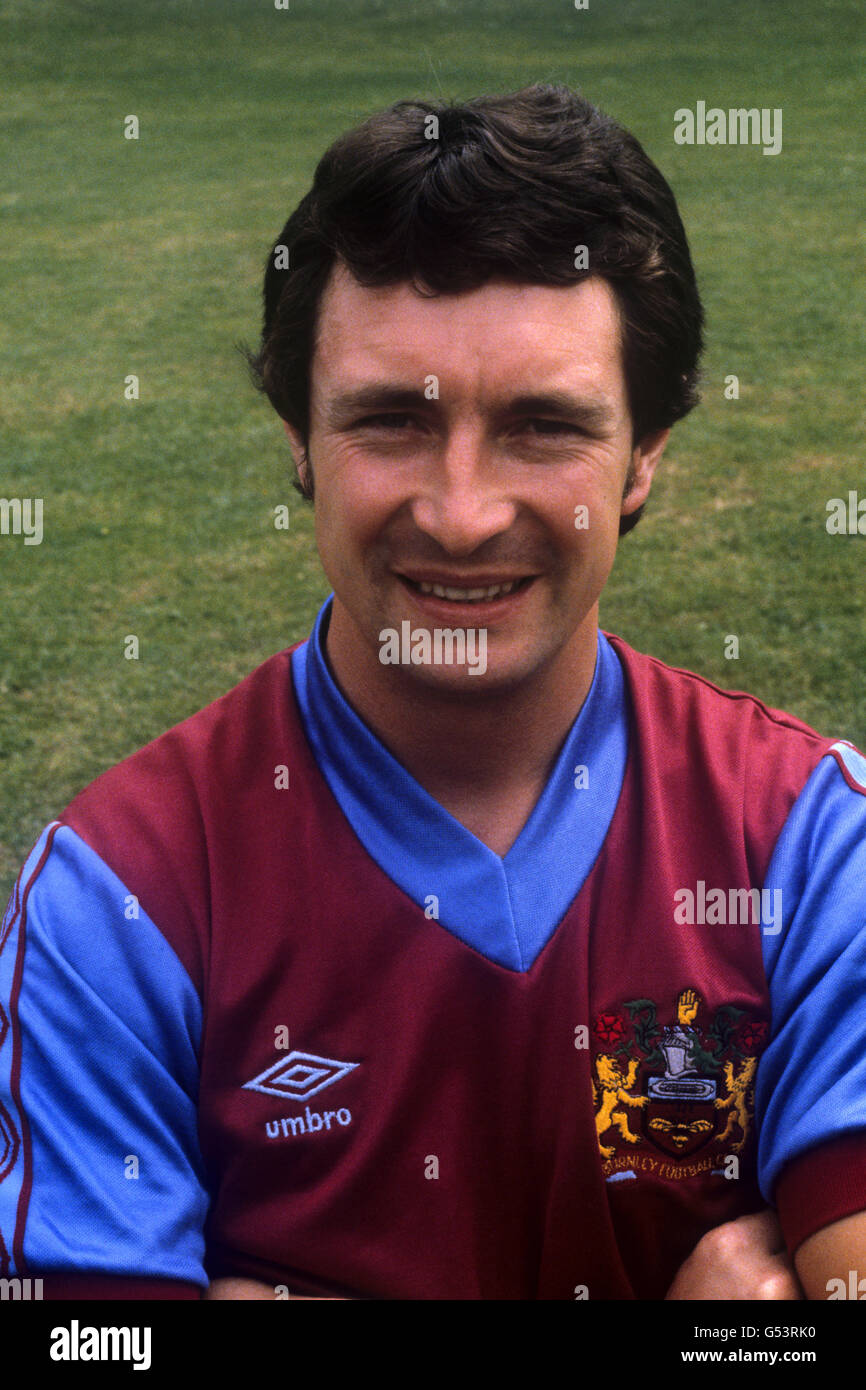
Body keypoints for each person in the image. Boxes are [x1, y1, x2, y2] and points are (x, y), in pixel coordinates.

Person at [2, 84, 864, 1301]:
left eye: (542, 426)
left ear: (647, 455)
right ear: (297, 437)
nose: (461, 513)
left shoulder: (809, 844)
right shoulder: (117, 903)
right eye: (389, 422)